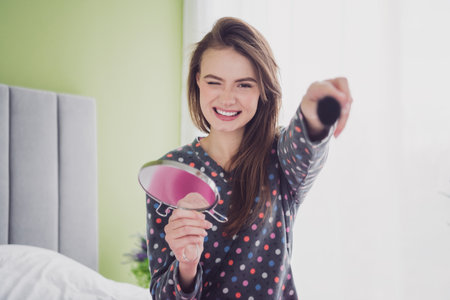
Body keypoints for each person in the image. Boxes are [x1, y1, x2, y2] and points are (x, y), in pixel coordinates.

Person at [146, 17, 352, 299]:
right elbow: (161, 293)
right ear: (198, 81)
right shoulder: (171, 172)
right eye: (214, 82)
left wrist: (314, 112)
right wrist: (187, 265)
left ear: (262, 89)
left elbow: (305, 144)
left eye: (243, 85)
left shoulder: (280, 159)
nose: (227, 98)